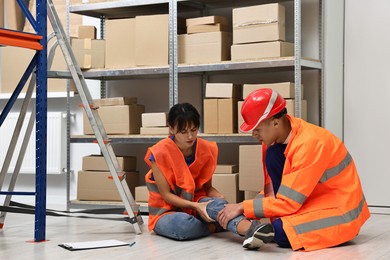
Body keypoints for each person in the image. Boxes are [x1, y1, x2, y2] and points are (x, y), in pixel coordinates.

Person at [217, 88, 371, 251]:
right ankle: (270, 225)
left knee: (284, 233)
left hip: (341, 211)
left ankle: (259, 228)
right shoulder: (279, 142)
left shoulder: (309, 144)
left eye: (257, 129)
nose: (254, 134)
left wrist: (242, 207)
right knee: (273, 155)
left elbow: (289, 201)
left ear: (275, 122)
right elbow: (279, 191)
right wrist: (246, 206)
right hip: (311, 198)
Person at [144, 102, 269, 245]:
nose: (190, 136)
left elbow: (207, 188)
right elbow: (166, 195)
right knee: (183, 226)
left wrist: (218, 197)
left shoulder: (206, 148)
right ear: (171, 129)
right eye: (183, 132)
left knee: (220, 206)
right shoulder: (159, 153)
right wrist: (196, 207)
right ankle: (216, 225)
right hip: (165, 211)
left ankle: (252, 230)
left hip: (197, 203)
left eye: (194, 129)